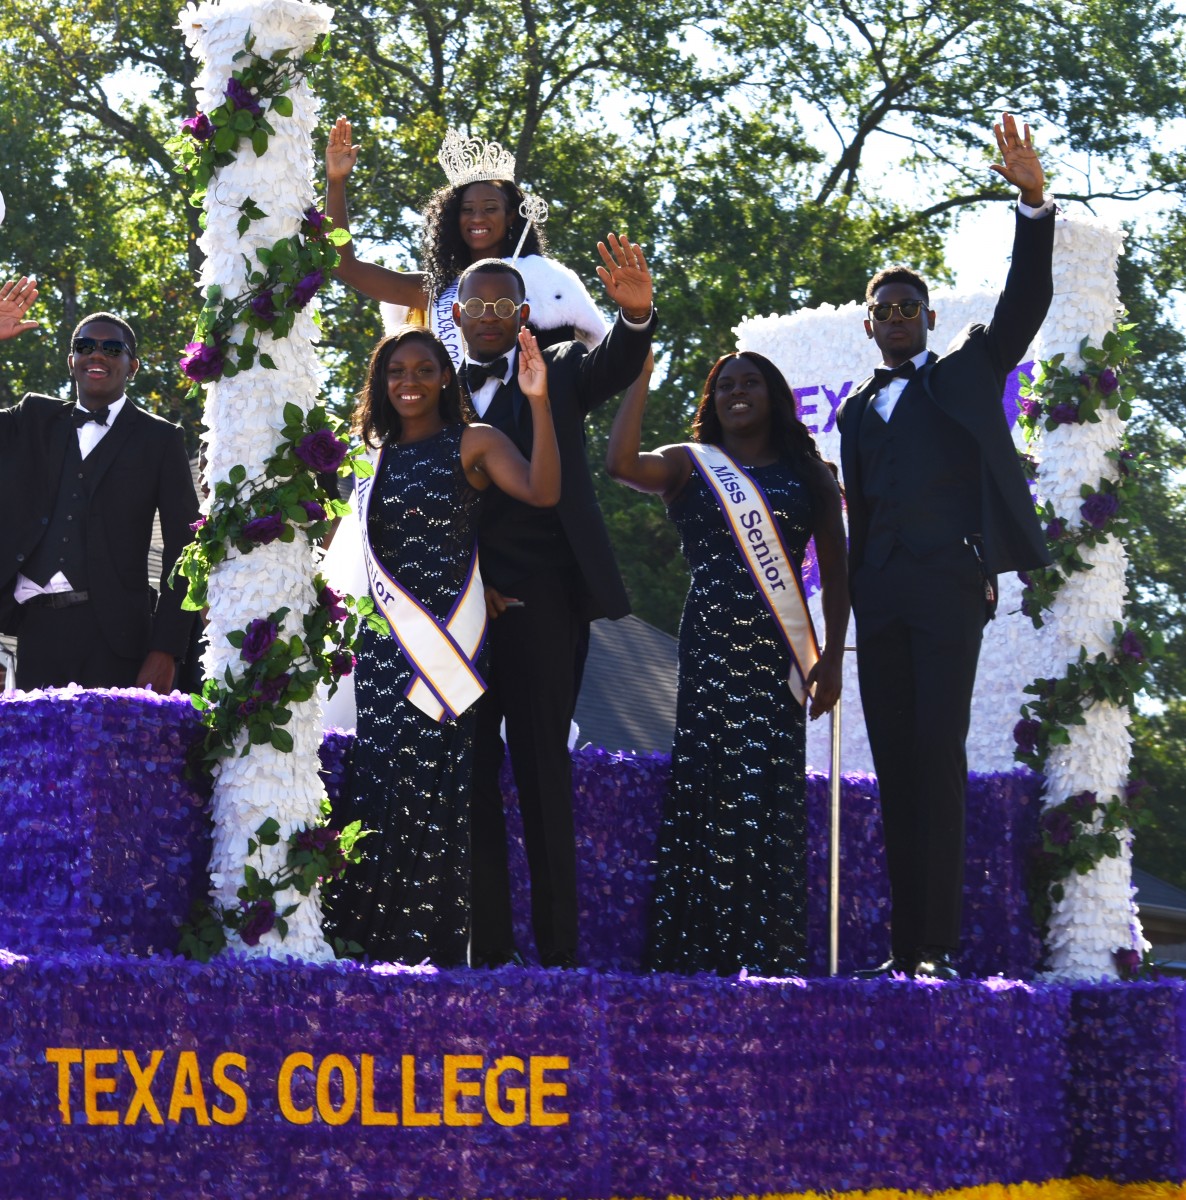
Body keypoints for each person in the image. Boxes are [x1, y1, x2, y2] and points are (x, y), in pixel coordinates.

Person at [839, 113, 1054, 981]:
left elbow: (1021, 309)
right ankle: (902, 951)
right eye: (881, 308)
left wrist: (1032, 207)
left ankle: (938, 946)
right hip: (879, 596)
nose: (895, 317)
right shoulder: (855, 410)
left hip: (947, 587)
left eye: (908, 307)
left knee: (937, 755)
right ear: (868, 325)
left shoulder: (963, 367)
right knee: (893, 767)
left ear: (927, 318)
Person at [322, 324, 559, 966]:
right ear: (381, 382)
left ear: (445, 378)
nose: (410, 382)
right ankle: (371, 942)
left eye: (424, 369)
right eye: (397, 371)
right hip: (383, 650)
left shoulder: (473, 441)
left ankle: (437, 946)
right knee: (380, 788)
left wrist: (537, 399)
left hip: (446, 649)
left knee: (441, 790)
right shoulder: (369, 458)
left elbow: (543, 492)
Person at [605, 350, 848, 976]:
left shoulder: (810, 473)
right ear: (711, 402)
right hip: (712, 645)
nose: (737, 393)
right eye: (725, 387)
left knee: (767, 791)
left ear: (775, 396)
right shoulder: (692, 465)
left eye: (752, 383)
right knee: (707, 785)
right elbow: (619, 465)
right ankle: (696, 950)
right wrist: (640, 378)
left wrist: (832, 659)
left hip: (779, 655)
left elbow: (841, 576)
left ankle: (765, 954)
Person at [459, 235, 655, 969]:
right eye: (476, 303)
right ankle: (489, 949)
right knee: (470, 776)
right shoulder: (427, 383)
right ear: (456, 312)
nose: (488, 315)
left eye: (503, 303)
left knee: (543, 770)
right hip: (462, 613)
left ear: (524, 313)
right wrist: (469, 585)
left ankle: (560, 953)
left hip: (545, 605)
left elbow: (620, 363)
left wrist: (636, 319)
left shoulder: (562, 369)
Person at [0, 283, 200, 692]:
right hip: (35, 630)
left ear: (133, 366)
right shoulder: (33, 417)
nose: (97, 353)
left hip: (119, 641)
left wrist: (167, 649)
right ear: (71, 358)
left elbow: (185, 548)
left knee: (112, 757)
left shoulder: (160, 439)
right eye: (86, 345)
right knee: (43, 757)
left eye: (112, 349)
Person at [324, 118, 607, 366]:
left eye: (490, 208)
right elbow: (343, 265)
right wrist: (336, 183)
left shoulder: (543, 279)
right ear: (452, 219)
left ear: (510, 217)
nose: (478, 218)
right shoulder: (436, 289)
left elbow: (566, 373)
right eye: (467, 210)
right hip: (450, 425)